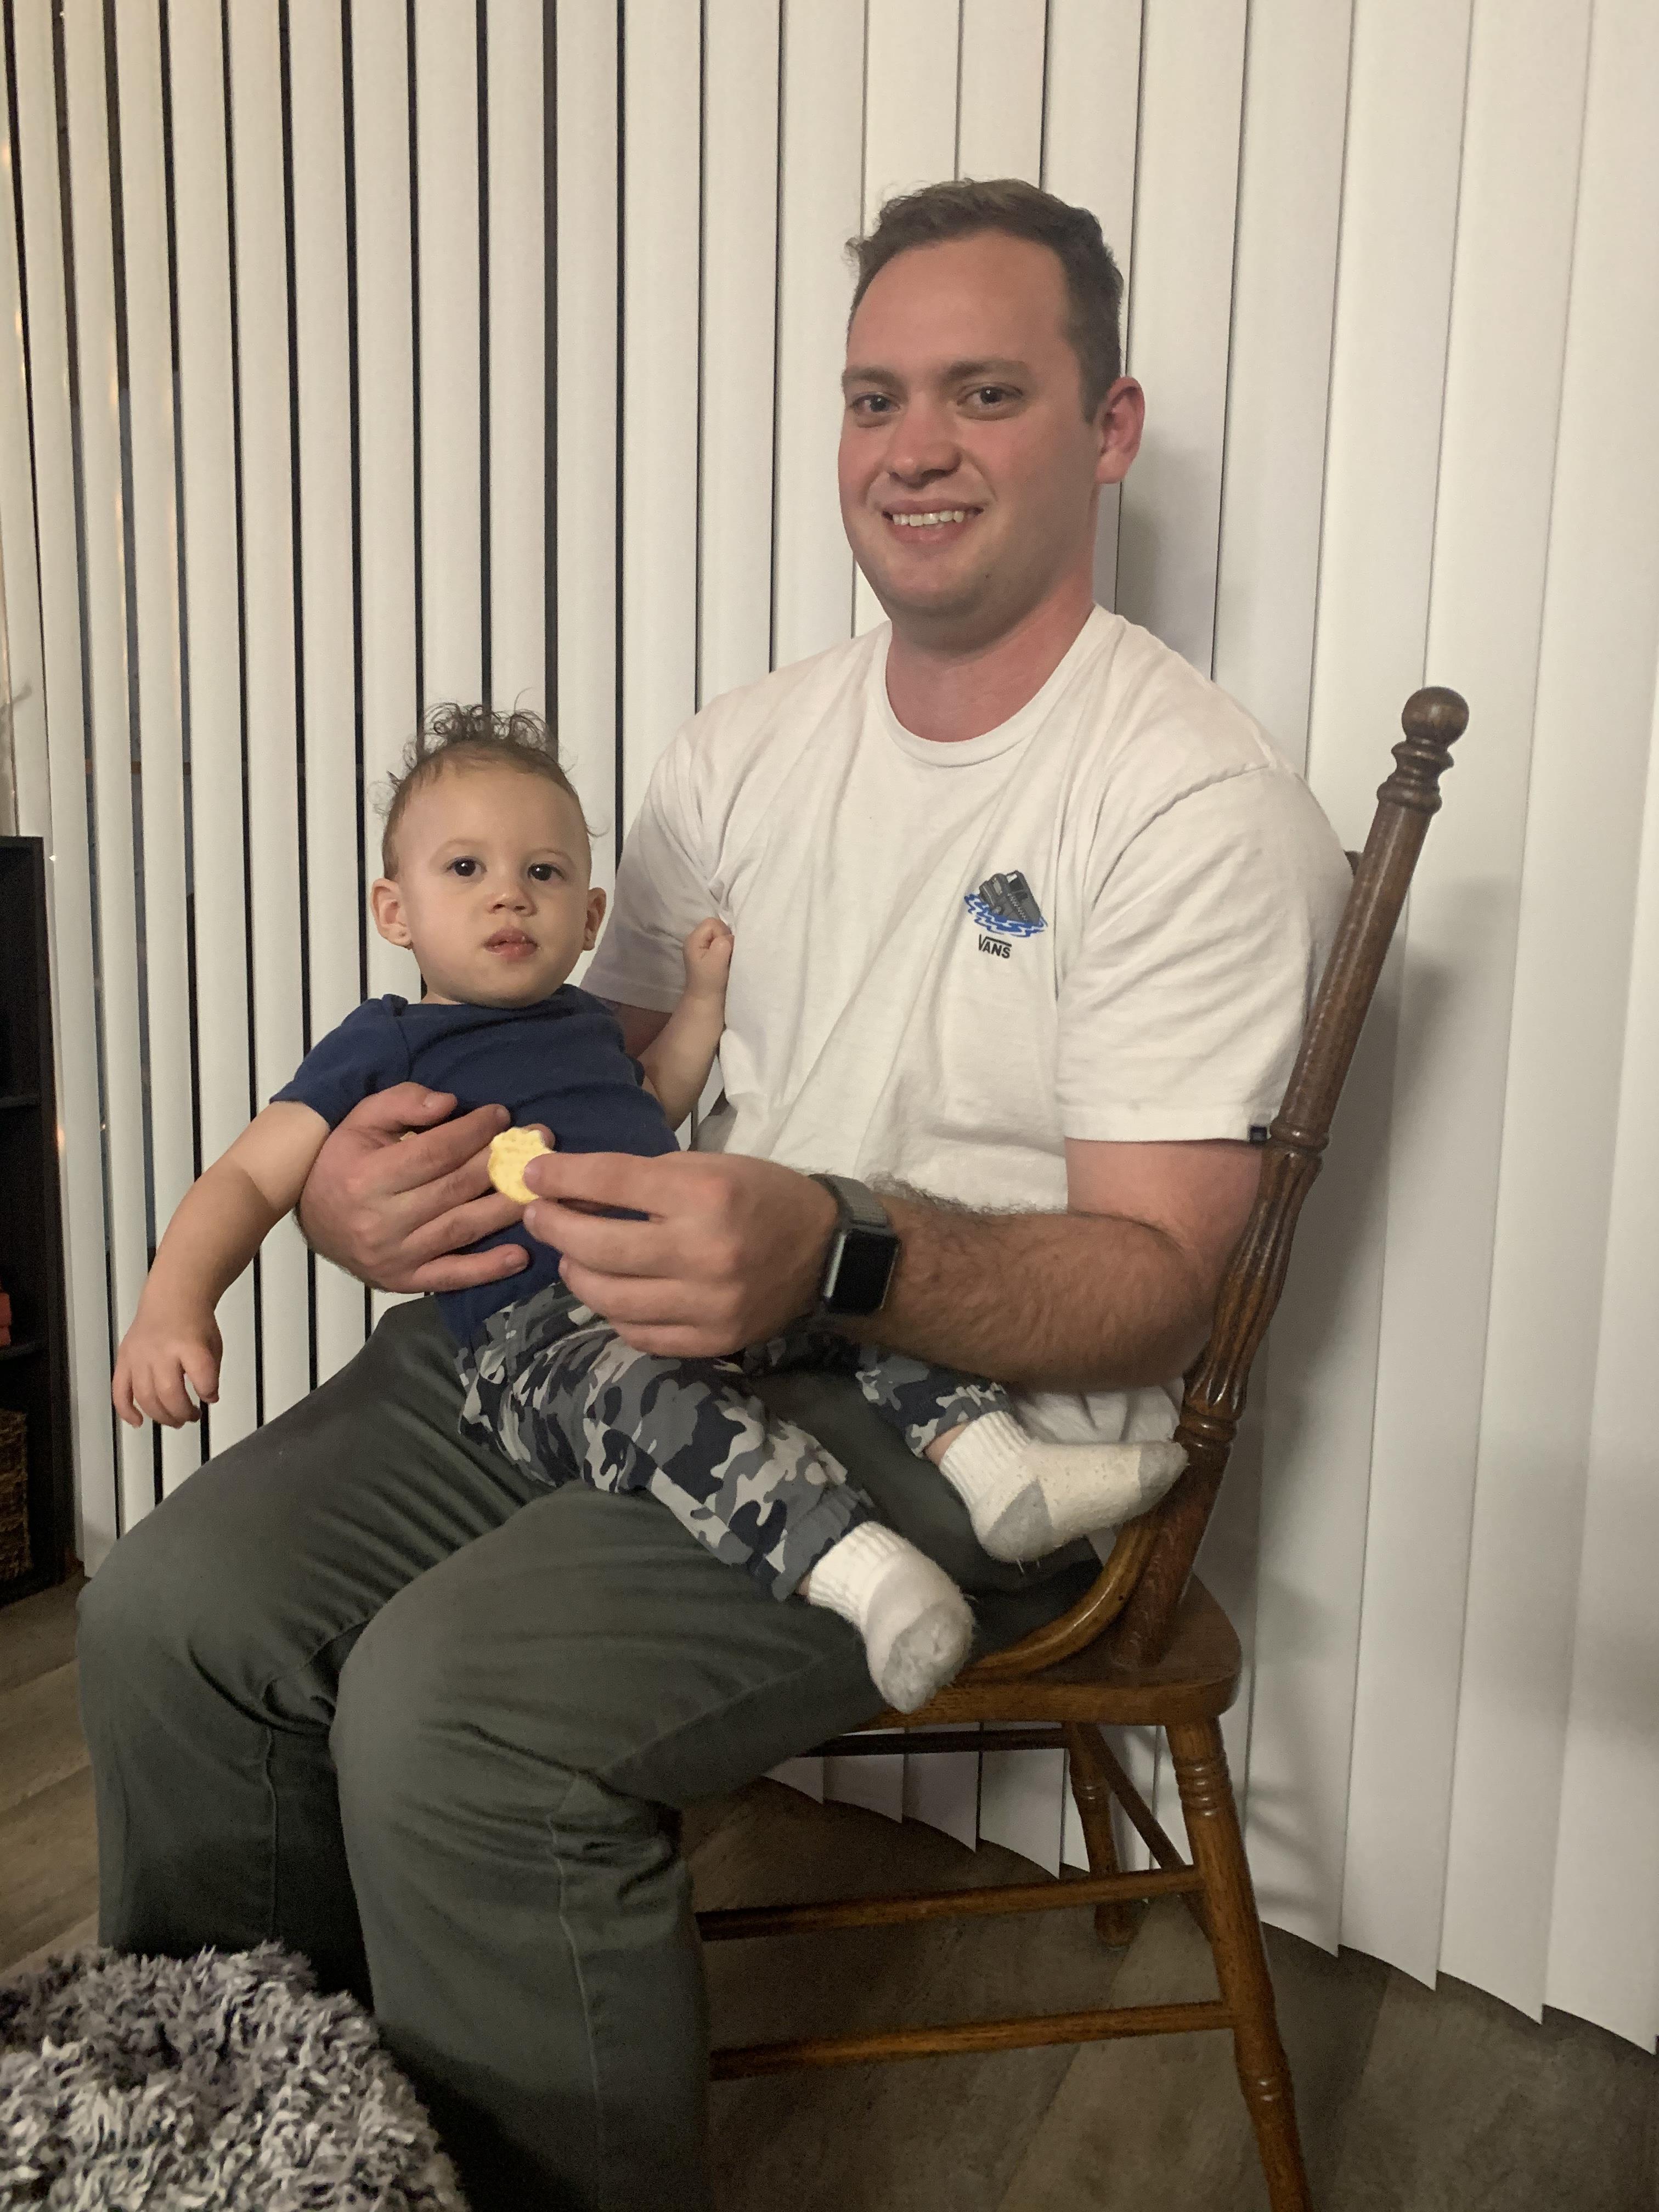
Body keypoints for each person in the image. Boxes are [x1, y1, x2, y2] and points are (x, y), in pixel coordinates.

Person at [77, 178, 1352, 2209]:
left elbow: (1159, 1294)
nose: (911, 445)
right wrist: (345, 1209)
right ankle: (272, 2143)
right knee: (169, 1614)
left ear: (1106, 429)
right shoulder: (731, 751)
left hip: (943, 1399)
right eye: (872, 396)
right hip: (593, 1328)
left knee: (448, 1713)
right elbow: (560, 1068)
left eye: (984, 391)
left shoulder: (1188, 800)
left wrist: (833, 1240)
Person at [109, 706, 1186, 1714]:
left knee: (849, 1287)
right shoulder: (389, 1042)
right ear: (396, 910)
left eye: (541, 872)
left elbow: (655, 1102)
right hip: (536, 1345)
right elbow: (250, 1176)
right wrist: (173, 1303)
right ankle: (867, 1577)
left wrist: (705, 1001)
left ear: (588, 915)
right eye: (466, 869)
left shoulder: (579, 1022)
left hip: (681, 1278)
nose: (507, 896)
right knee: (664, 1407)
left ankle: (1002, 1476)